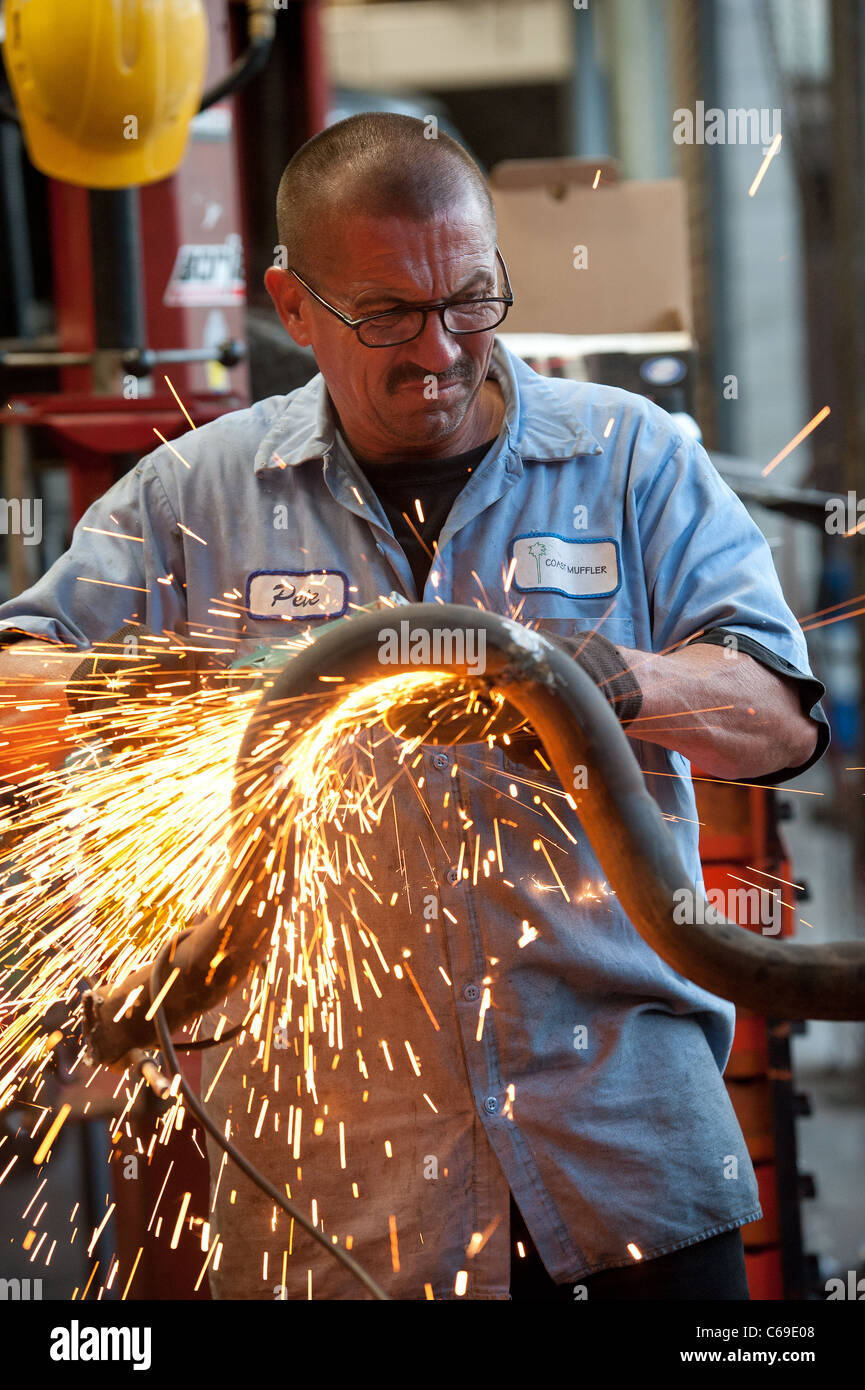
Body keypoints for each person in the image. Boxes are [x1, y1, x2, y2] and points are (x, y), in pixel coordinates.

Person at [0, 113, 827, 1300]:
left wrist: (605, 681)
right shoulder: (197, 490)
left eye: (471, 299)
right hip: (335, 1192)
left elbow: (783, 717)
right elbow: (13, 691)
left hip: (623, 1160)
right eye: (388, 314)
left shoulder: (629, 457)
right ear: (293, 309)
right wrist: (169, 689)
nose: (441, 349)